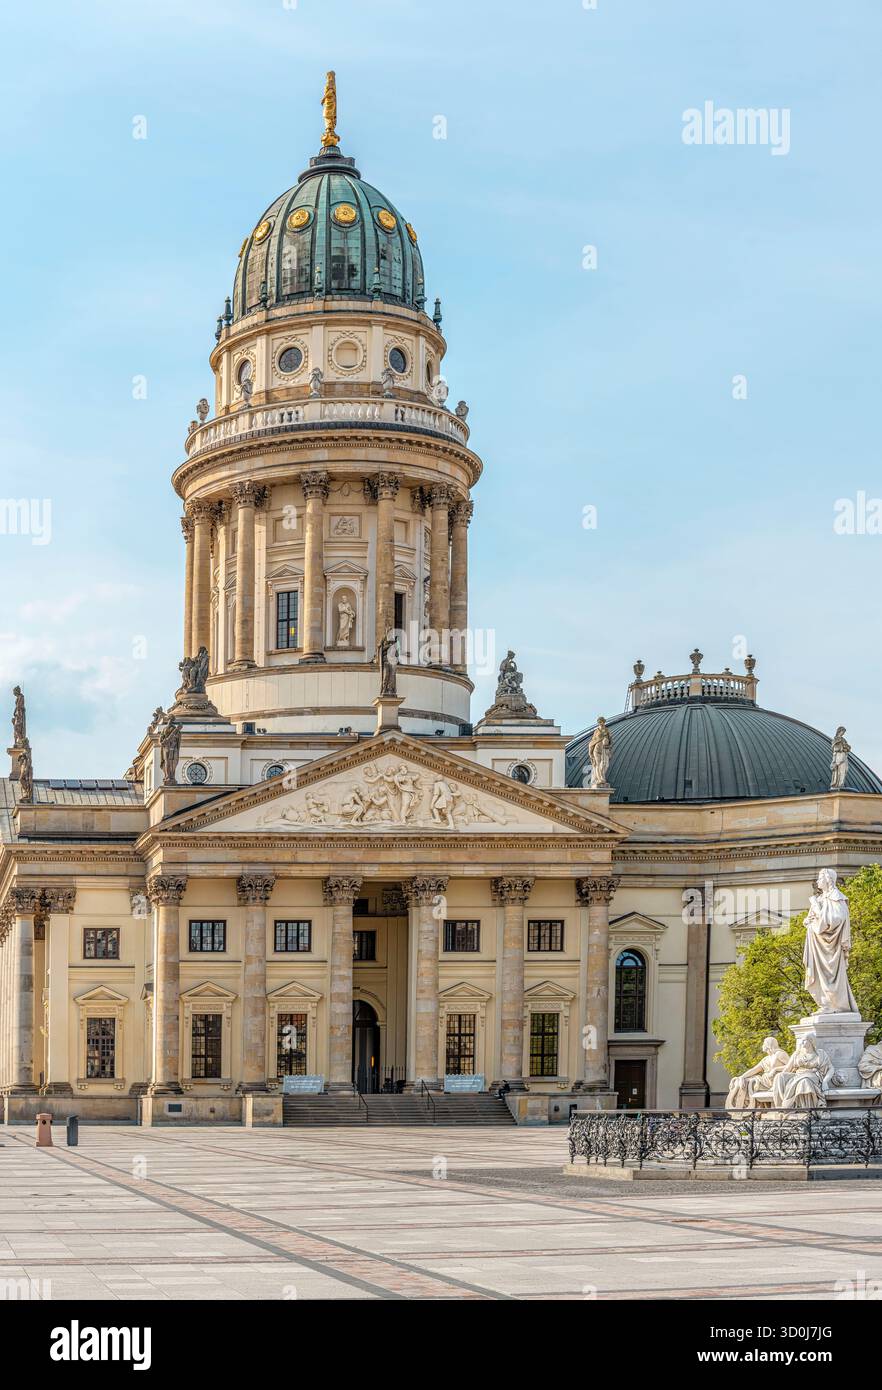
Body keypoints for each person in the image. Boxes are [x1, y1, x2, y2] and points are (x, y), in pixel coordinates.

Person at [725, 1036, 789, 1109]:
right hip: (765, 1081)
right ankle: (743, 1108)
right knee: (744, 1082)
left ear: (768, 1044)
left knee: (750, 1084)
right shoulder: (766, 1059)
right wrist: (742, 1077)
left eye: (764, 1043)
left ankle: (750, 1109)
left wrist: (776, 1069)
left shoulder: (780, 1054)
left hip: (776, 1082)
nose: (762, 1045)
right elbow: (754, 1069)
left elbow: (791, 1066)